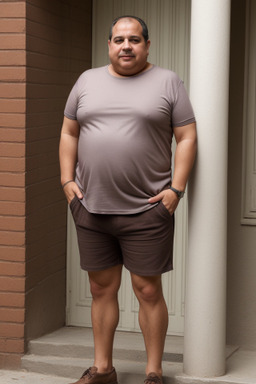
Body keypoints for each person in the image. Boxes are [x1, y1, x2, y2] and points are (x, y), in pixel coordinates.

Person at [59, 15, 197, 384]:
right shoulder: (87, 81)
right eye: (119, 39)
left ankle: (153, 372)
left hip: (148, 209)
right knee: (100, 288)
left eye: (134, 39)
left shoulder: (167, 81)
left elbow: (186, 136)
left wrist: (176, 189)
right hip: (91, 207)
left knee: (148, 290)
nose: (126, 46)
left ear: (147, 45)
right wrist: (66, 181)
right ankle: (103, 369)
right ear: (109, 45)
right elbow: (69, 131)